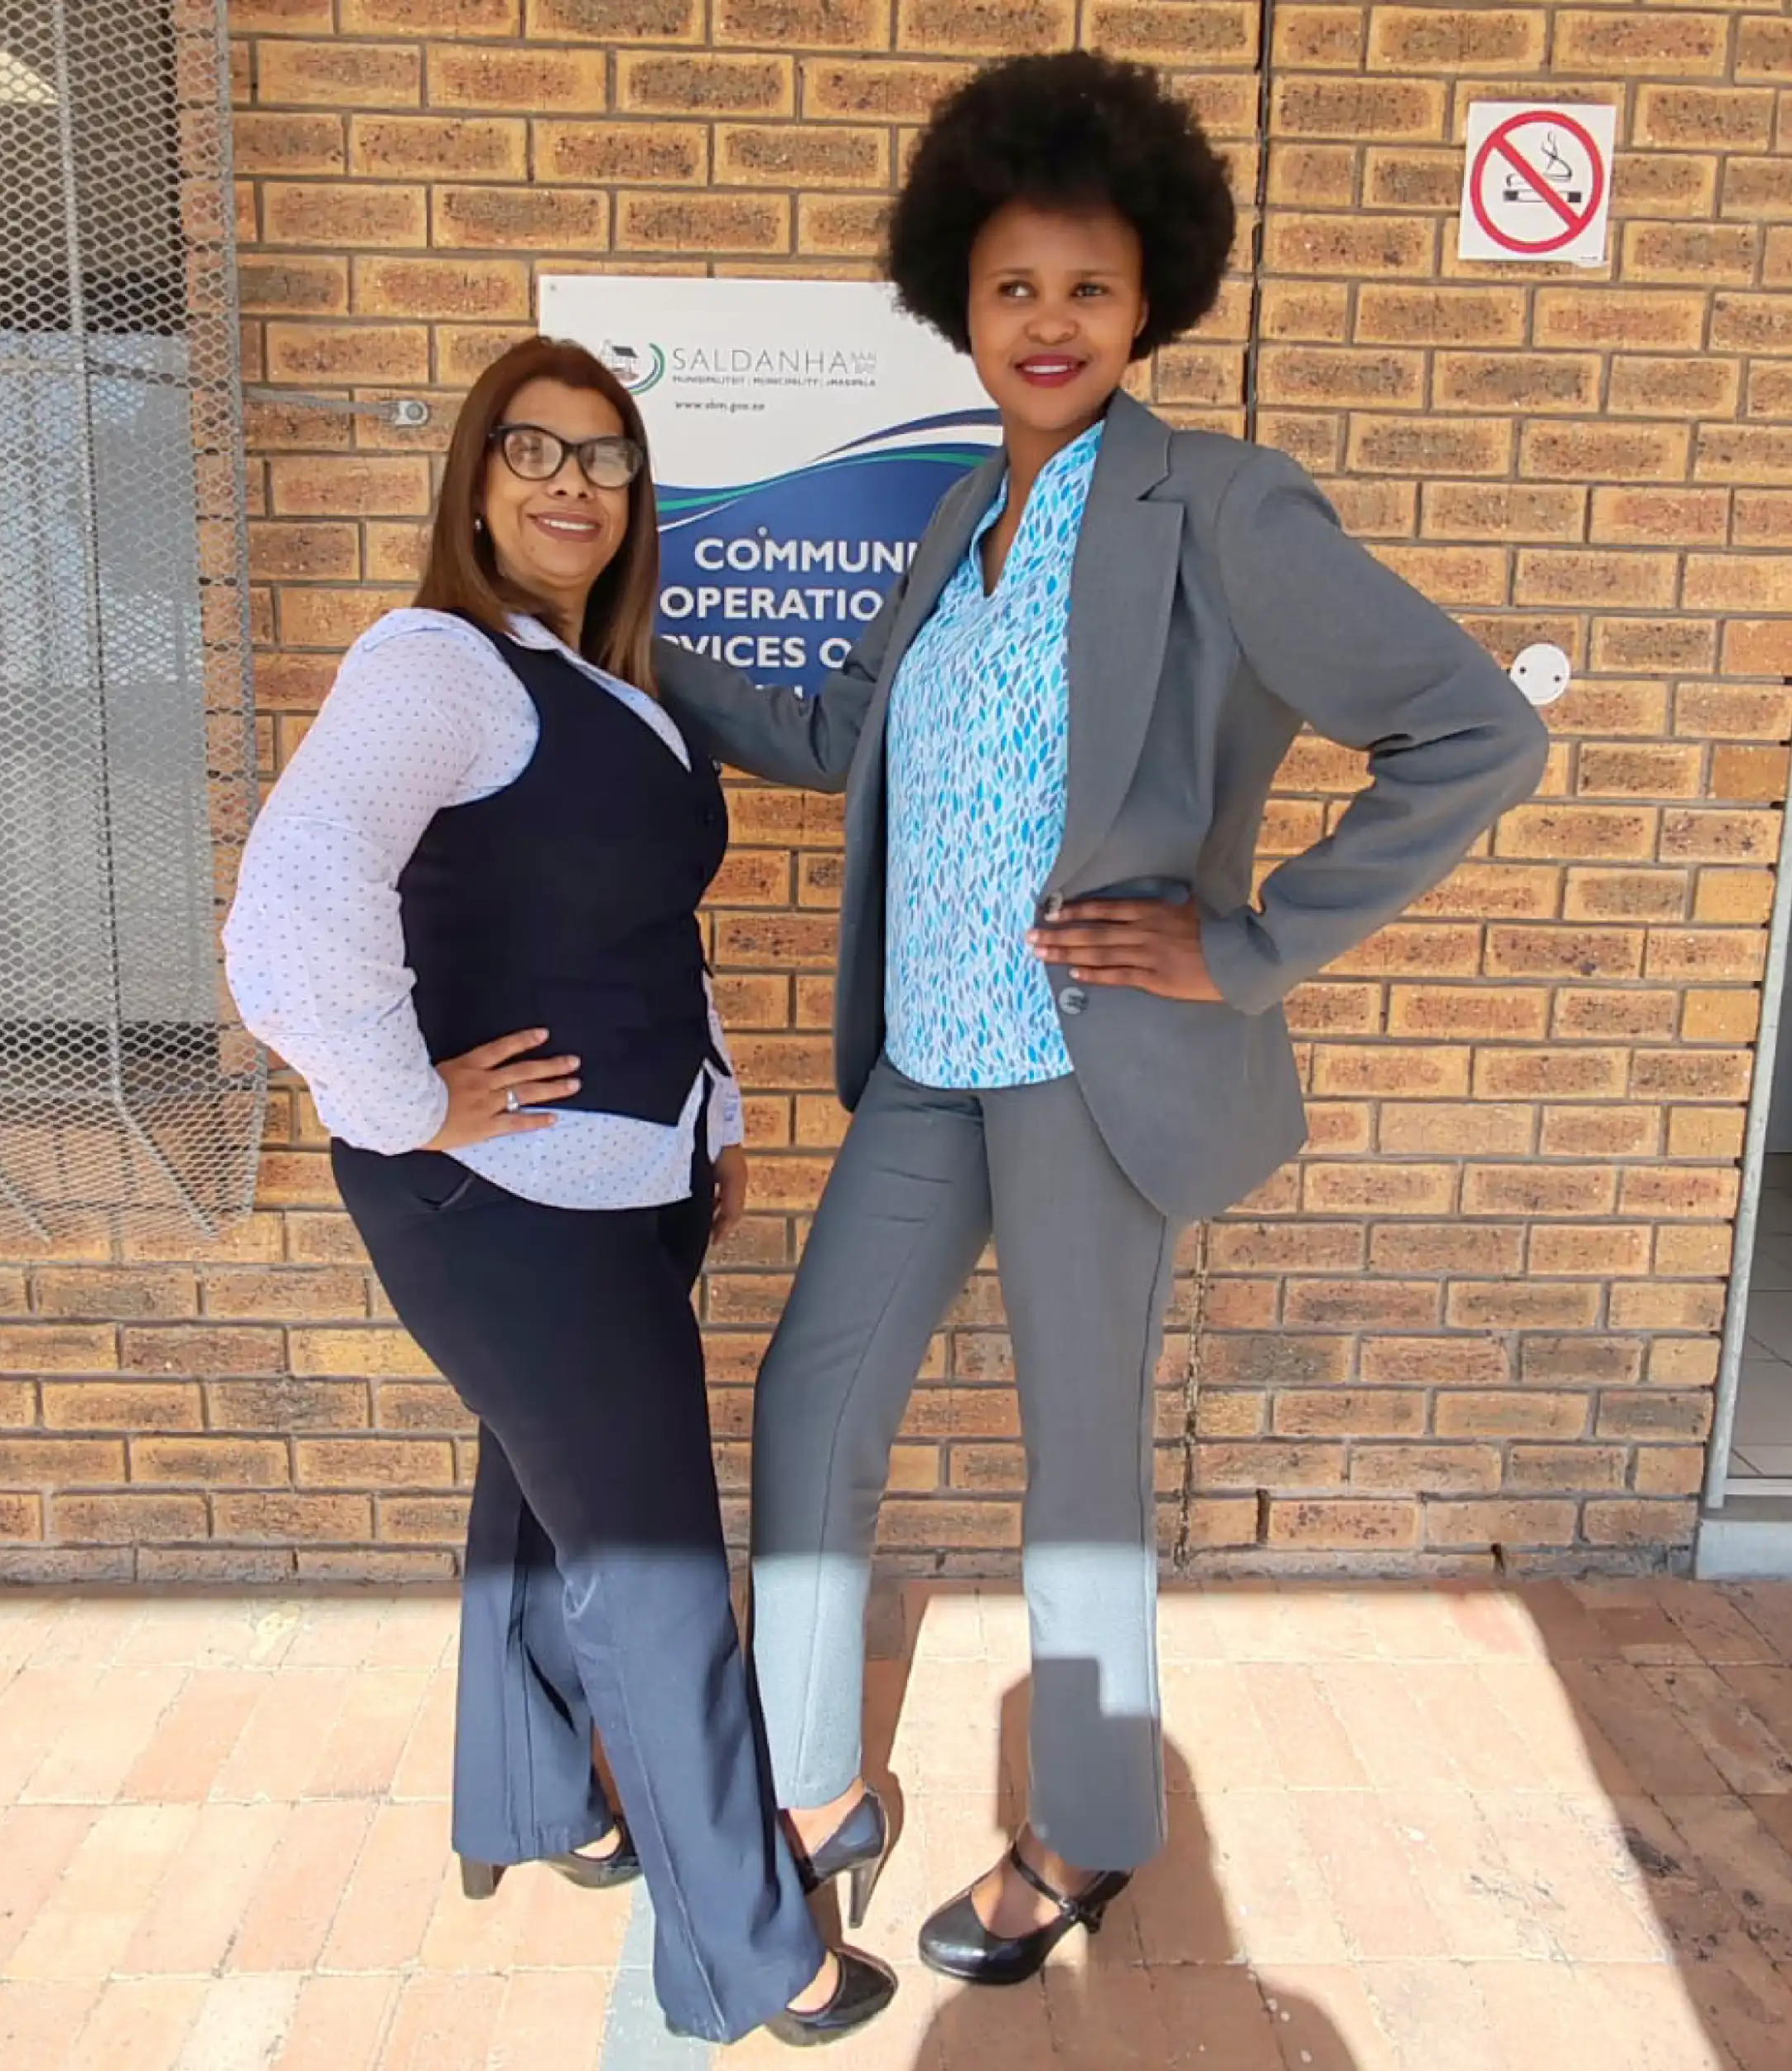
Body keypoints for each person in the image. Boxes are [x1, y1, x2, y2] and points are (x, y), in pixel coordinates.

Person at [651, 51, 1550, 1987]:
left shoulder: (1215, 505)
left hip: (1084, 1068)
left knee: (1079, 1455)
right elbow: (836, 738)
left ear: (1148, 302)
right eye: (1005, 288)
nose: (1042, 321)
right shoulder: (955, 518)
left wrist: (1241, 946)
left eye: (1082, 285)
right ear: (954, 308)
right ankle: (815, 1783)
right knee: (810, 1395)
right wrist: (627, 639)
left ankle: (1088, 1821)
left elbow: (1475, 728)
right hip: (925, 1058)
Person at [222, 338, 893, 2047]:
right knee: (656, 1562)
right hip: (501, 1195)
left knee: (540, 1500)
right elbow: (294, 896)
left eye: (602, 458)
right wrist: (398, 1097)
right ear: (472, 478)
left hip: (622, 1179)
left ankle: (534, 1792)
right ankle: (749, 1952)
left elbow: (644, 935)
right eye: (532, 449)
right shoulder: (437, 661)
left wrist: (711, 1114)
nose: (568, 482)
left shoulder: (620, 693)